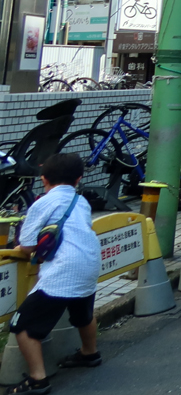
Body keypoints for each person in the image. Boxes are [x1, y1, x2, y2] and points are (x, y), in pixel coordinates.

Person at [7, 152, 102, 395]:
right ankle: (89, 354)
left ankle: (38, 380)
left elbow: (27, 245)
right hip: (89, 263)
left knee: (22, 326)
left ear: (43, 178)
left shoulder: (43, 203)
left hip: (63, 271)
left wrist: (18, 249)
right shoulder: (81, 201)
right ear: (79, 179)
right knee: (83, 313)